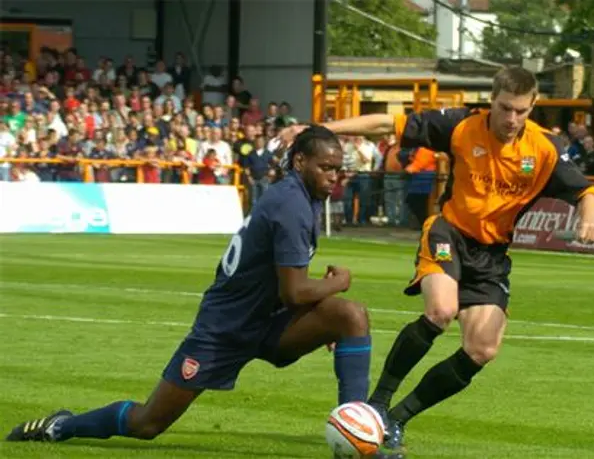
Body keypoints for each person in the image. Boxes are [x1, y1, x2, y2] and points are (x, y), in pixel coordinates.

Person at [280, 67, 594, 458]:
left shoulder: (545, 150)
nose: (511, 119)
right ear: (492, 101)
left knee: (483, 349)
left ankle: (396, 418)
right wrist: (317, 127)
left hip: (492, 257)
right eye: (504, 109)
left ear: (532, 106)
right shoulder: (461, 126)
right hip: (448, 233)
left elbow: (585, 191)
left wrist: (589, 220)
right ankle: (377, 404)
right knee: (441, 309)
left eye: (520, 110)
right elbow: (386, 123)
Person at [5, 126, 373, 446]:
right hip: (224, 329)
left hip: (266, 321)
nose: (333, 177)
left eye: (338, 170)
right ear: (299, 163)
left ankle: (357, 433)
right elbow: (294, 292)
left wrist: (320, 316)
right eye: (325, 167)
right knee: (148, 423)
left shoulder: (302, 198)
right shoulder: (291, 204)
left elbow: (283, 289)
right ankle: (61, 425)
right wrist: (337, 283)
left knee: (350, 318)